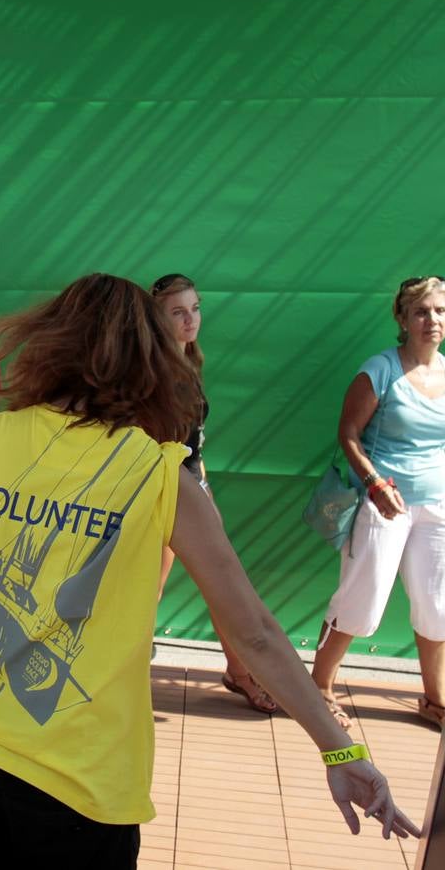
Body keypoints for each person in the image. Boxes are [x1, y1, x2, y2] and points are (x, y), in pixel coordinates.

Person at [0, 274, 418, 868]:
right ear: (152, 361)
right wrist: (340, 753)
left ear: (50, 345)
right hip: (83, 780)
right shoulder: (161, 474)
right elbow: (256, 633)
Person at [311, 276, 445, 730]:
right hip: (382, 504)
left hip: (439, 506)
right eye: (422, 312)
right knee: (362, 598)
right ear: (403, 319)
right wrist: (375, 484)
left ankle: (434, 698)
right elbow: (349, 434)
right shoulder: (379, 370)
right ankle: (320, 687)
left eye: (440, 311)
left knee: (439, 604)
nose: (432, 321)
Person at [149, 273, 275, 714]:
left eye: (195, 308)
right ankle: (121, 677)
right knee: (150, 590)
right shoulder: (154, 368)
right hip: (163, 492)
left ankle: (240, 673)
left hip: (193, 486)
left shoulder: (190, 361)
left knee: (221, 587)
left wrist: (203, 482)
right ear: (157, 318)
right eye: (178, 312)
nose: (190, 320)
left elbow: (193, 442)